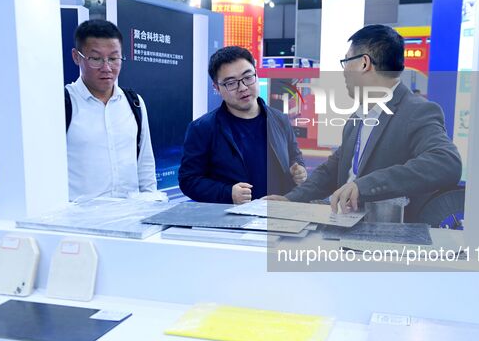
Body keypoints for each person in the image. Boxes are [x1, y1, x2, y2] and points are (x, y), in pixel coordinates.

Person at [268, 24, 462, 221]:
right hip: (343, 228)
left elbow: (446, 162)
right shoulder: (357, 117)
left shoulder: (416, 111)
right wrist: (290, 200)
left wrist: (363, 186)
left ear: (364, 63)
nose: (344, 72)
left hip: (387, 238)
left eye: (346, 62)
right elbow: (332, 170)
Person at [178, 46, 306, 205]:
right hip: (231, 222)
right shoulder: (202, 129)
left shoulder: (280, 120)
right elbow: (189, 180)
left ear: (256, 75)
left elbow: (295, 156)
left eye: (248, 77)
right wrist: (227, 193)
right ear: (217, 88)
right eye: (231, 83)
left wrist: (299, 169)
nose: (243, 87)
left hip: (277, 216)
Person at [66, 19, 156, 201]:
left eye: (114, 58)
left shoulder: (134, 102)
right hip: (78, 220)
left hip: (130, 215)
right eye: (96, 59)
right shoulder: (63, 104)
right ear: (77, 57)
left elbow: (145, 163)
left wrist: (150, 203)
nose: (106, 68)